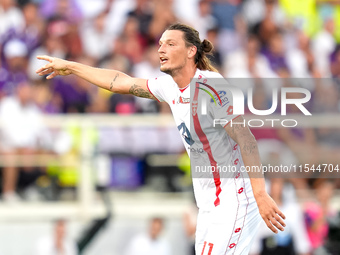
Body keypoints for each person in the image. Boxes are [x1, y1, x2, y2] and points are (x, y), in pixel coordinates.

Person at [36, 23, 286, 255]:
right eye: (160, 44)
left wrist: (260, 194)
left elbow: (247, 139)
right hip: (210, 205)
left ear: (191, 51)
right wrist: (71, 67)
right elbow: (121, 82)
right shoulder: (169, 87)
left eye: (170, 44)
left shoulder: (212, 87)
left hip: (236, 198)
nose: (161, 49)